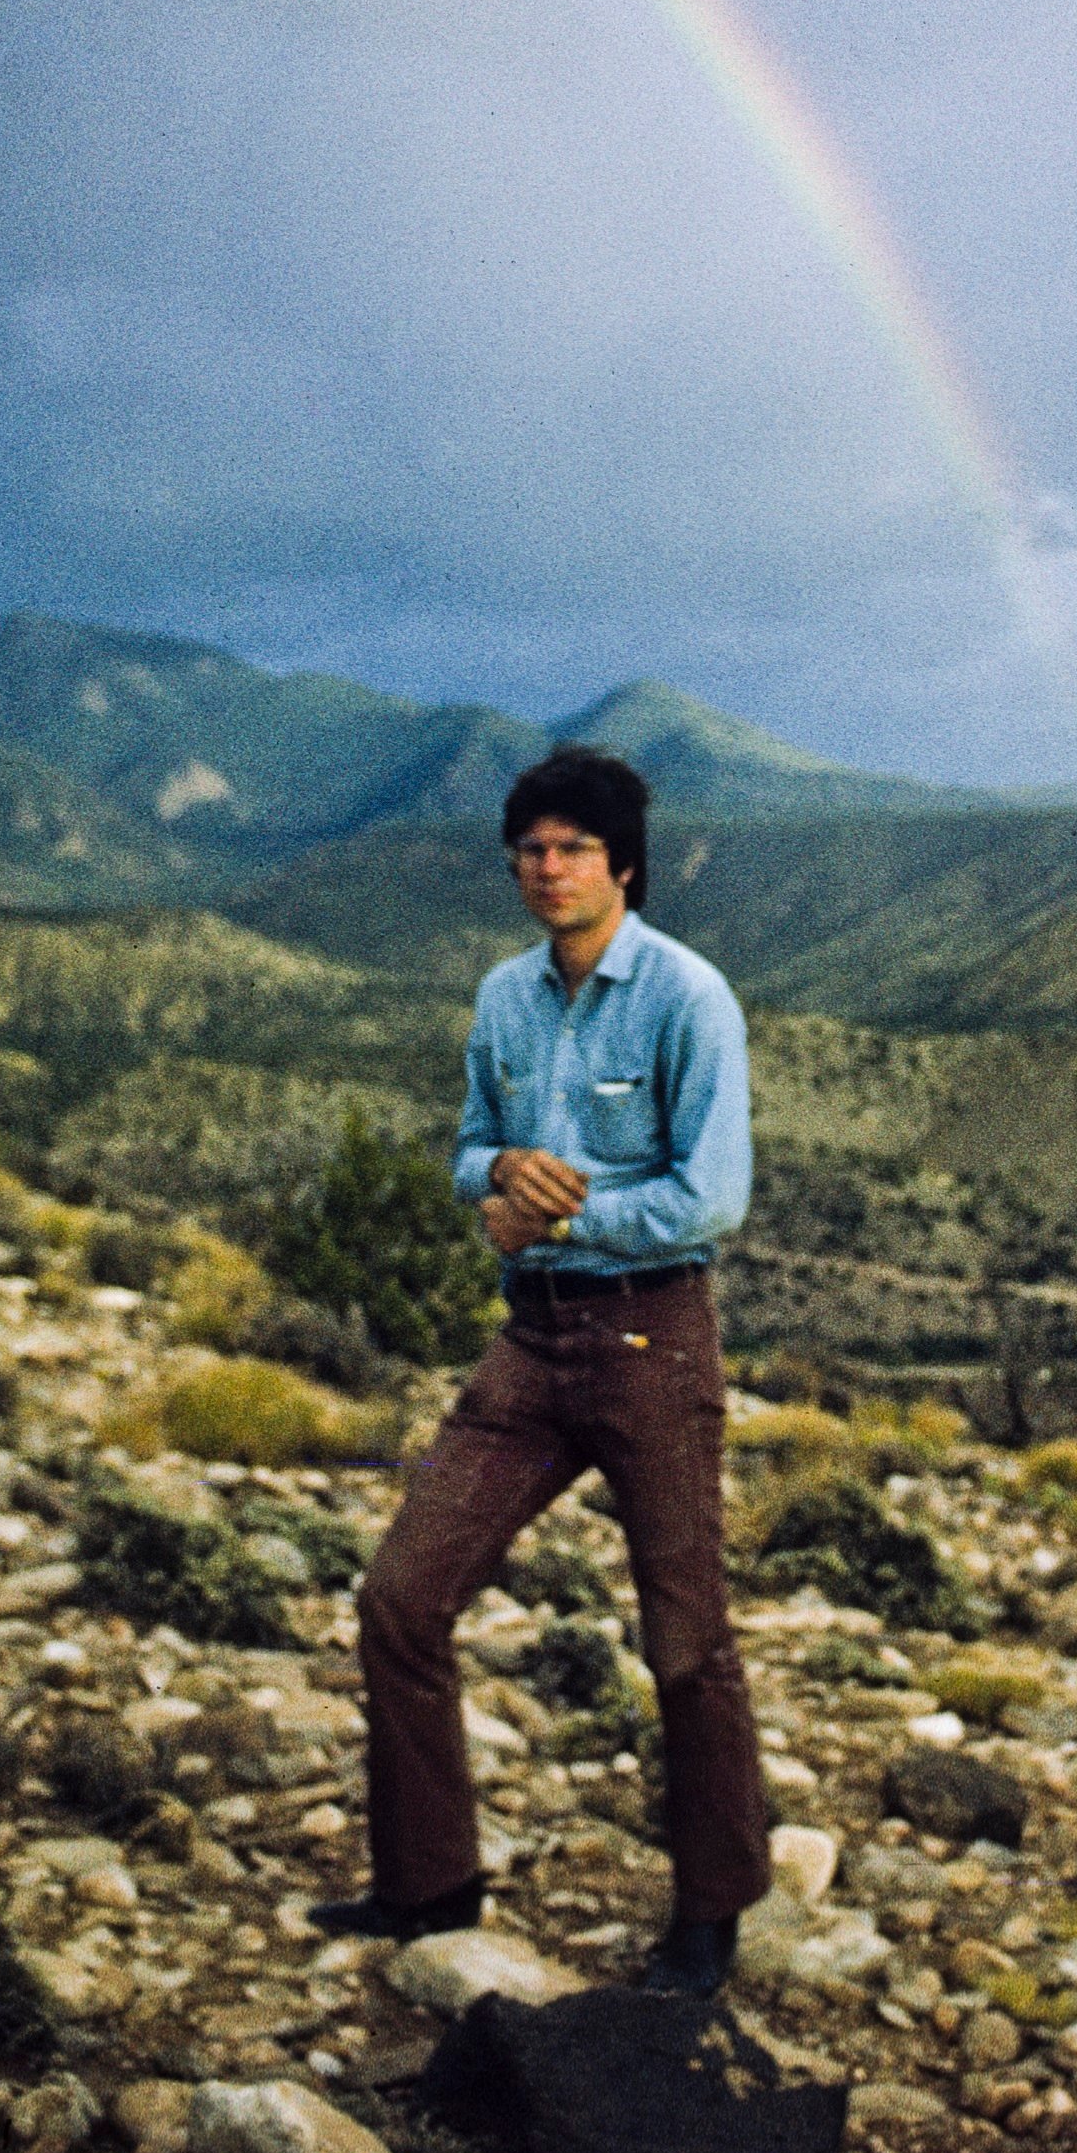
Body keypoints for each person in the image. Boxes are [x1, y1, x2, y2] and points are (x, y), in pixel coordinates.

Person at [310, 746, 771, 1997]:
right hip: (533, 1342)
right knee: (400, 1597)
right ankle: (429, 1888)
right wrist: (501, 1185)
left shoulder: (688, 998)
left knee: (685, 1639)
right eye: (529, 848)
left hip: (650, 1340)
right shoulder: (506, 997)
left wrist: (566, 1215)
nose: (545, 868)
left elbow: (711, 1198)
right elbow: (469, 1150)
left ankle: (713, 1916)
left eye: (570, 847)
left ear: (623, 862)